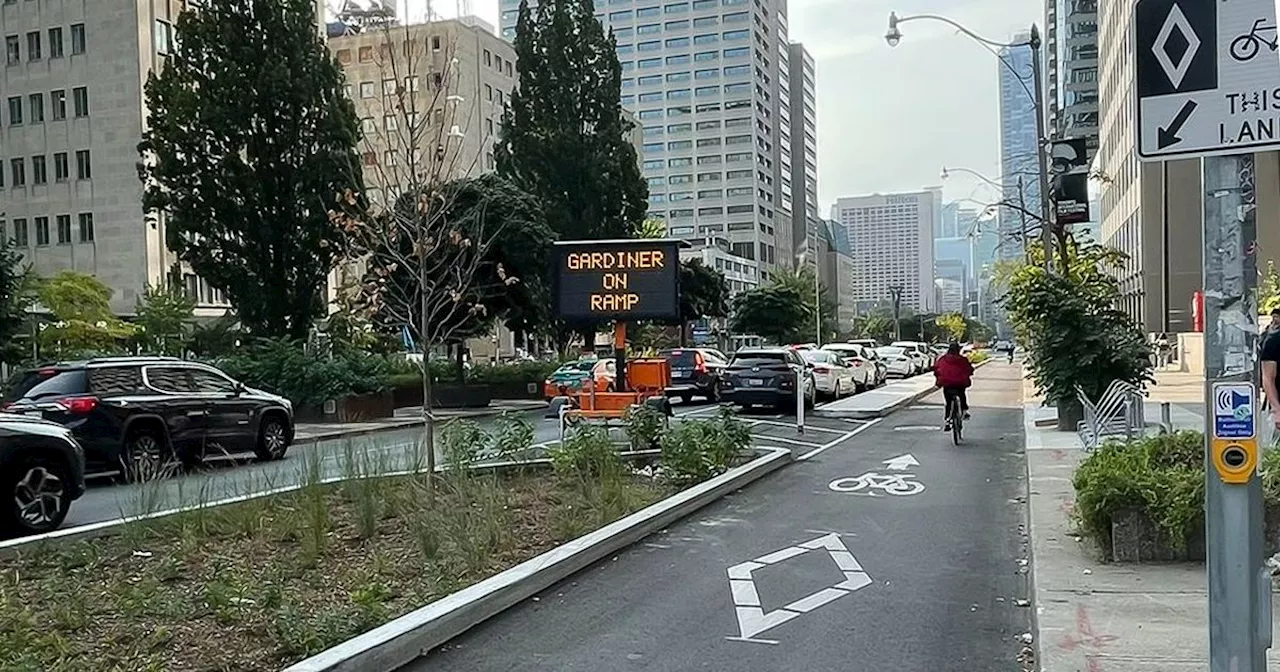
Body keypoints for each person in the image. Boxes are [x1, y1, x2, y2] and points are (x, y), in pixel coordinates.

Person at [934, 342, 975, 430]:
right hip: (960, 383)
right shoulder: (962, 359)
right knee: (962, 394)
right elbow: (969, 369)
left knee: (948, 402)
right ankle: (964, 411)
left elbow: (936, 368)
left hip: (947, 383)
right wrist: (970, 372)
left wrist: (938, 378)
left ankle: (948, 419)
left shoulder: (943, 359)